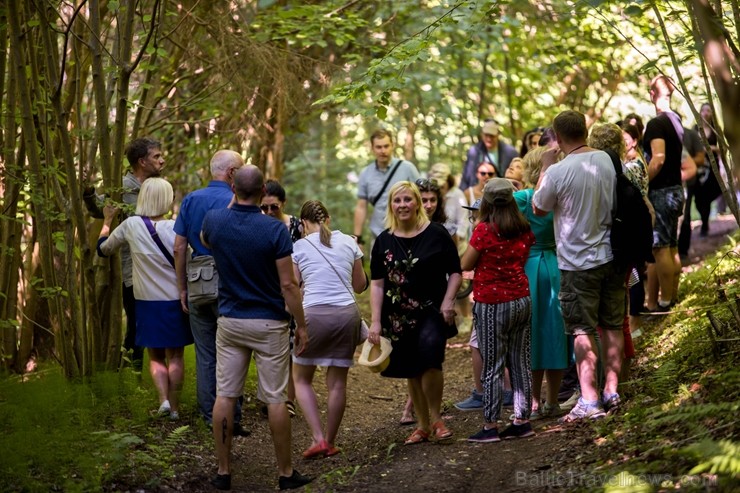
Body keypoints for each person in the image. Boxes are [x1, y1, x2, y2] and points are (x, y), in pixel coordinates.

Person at [201, 165, 311, 491]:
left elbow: (207, 241)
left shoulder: (214, 222)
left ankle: (223, 471)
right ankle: (286, 473)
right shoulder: (275, 231)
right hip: (269, 323)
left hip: (231, 320)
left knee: (225, 395)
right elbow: (289, 285)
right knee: (276, 399)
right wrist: (301, 325)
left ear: (233, 189)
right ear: (264, 192)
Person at [533, 110, 626, 422]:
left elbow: (539, 207)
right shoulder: (608, 160)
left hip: (576, 264)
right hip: (612, 256)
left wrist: (545, 168)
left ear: (558, 139)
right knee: (612, 324)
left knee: (582, 329)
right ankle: (612, 390)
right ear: (585, 132)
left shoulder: (558, 171)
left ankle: (589, 398)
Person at [367, 181, 461, 445]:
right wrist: (375, 321)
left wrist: (449, 301)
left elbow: (455, 271)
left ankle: (436, 418)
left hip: (432, 310)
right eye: (397, 201)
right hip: (397, 316)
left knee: (431, 361)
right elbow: (377, 283)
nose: (403, 205)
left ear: (418, 203)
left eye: (408, 200)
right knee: (411, 369)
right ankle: (422, 426)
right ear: (391, 206)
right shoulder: (384, 240)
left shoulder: (437, 233)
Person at [97, 178, 192, 419]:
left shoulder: (131, 225)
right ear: (166, 199)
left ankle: (163, 401)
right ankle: (176, 407)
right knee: (176, 355)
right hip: (175, 300)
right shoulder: (177, 228)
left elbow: (104, 250)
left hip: (146, 302)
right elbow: (189, 260)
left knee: (156, 356)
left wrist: (107, 221)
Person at [172, 150, 249, 436]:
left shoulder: (191, 199)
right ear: (231, 174)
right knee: (235, 351)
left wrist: (182, 287)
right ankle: (233, 417)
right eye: (240, 170)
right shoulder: (238, 200)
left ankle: (209, 417)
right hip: (231, 284)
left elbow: (179, 247)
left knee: (205, 353)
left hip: (198, 282)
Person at [291, 200, 368, 458]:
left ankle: (318, 438)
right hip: (347, 316)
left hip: (314, 315)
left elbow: (292, 289)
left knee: (301, 379)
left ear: (303, 224)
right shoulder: (349, 242)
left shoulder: (298, 247)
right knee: (337, 384)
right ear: (329, 219)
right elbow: (359, 286)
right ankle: (331, 441)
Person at [84, 137, 165, 371]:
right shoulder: (122, 187)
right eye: (156, 156)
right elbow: (99, 209)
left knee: (154, 322)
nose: (162, 160)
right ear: (141, 161)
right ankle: (131, 373)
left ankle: (145, 372)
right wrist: (88, 194)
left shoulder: (157, 187)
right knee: (136, 323)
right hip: (132, 270)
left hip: (158, 268)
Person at [463, 178, 535, 442]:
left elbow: (466, 263)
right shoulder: (523, 227)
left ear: (487, 202)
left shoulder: (484, 230)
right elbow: (524, 256)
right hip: (522, 299)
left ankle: (490, 425)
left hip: (493, 304)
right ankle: (522, 420)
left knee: (492, 365)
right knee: (520, 361)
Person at [515, 147, 568, 420]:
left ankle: (533, 401)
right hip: (556, 266)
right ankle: (553, 400)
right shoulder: (559, 198)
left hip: (530, 267)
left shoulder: (523, 198)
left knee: (532, 334)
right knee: (555, 332)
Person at [643, 75, 687, 312]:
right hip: (676, 190)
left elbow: (658, 159)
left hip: (661, 193)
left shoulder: (656, 124)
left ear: (652, 94)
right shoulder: (676, 120)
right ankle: (673, 296)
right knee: (671, 246)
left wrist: (642, 183)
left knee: (660, 248)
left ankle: (665, 302)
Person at [261, 178, 301, 416]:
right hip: (266, 293)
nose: (268, 212)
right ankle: (271, 397)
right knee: (269, 350)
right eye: (263, 207)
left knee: (293, 349)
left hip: (293, 290)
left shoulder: (296, 226)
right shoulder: (257, 224)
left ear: (283, 203)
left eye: (273, 207)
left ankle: (290, 399)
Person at [354, 129, 420, 250]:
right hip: (378, 234)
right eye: (378, 147)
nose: (383, 151)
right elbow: (361, 206)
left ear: (392, 146)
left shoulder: (408, 168)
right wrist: (358, 238)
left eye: (386, 146)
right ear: (372, 148)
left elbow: (421, 199)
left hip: (408, 234)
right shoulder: (366, 173)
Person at [460, 120, 519, 190]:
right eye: (486, 135)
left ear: (498, 135)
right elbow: (466, 177)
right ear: (482, 134)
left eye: (492, 136)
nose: (488, 139)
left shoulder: (510, 152)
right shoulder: (474, 151)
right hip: (478, 193)